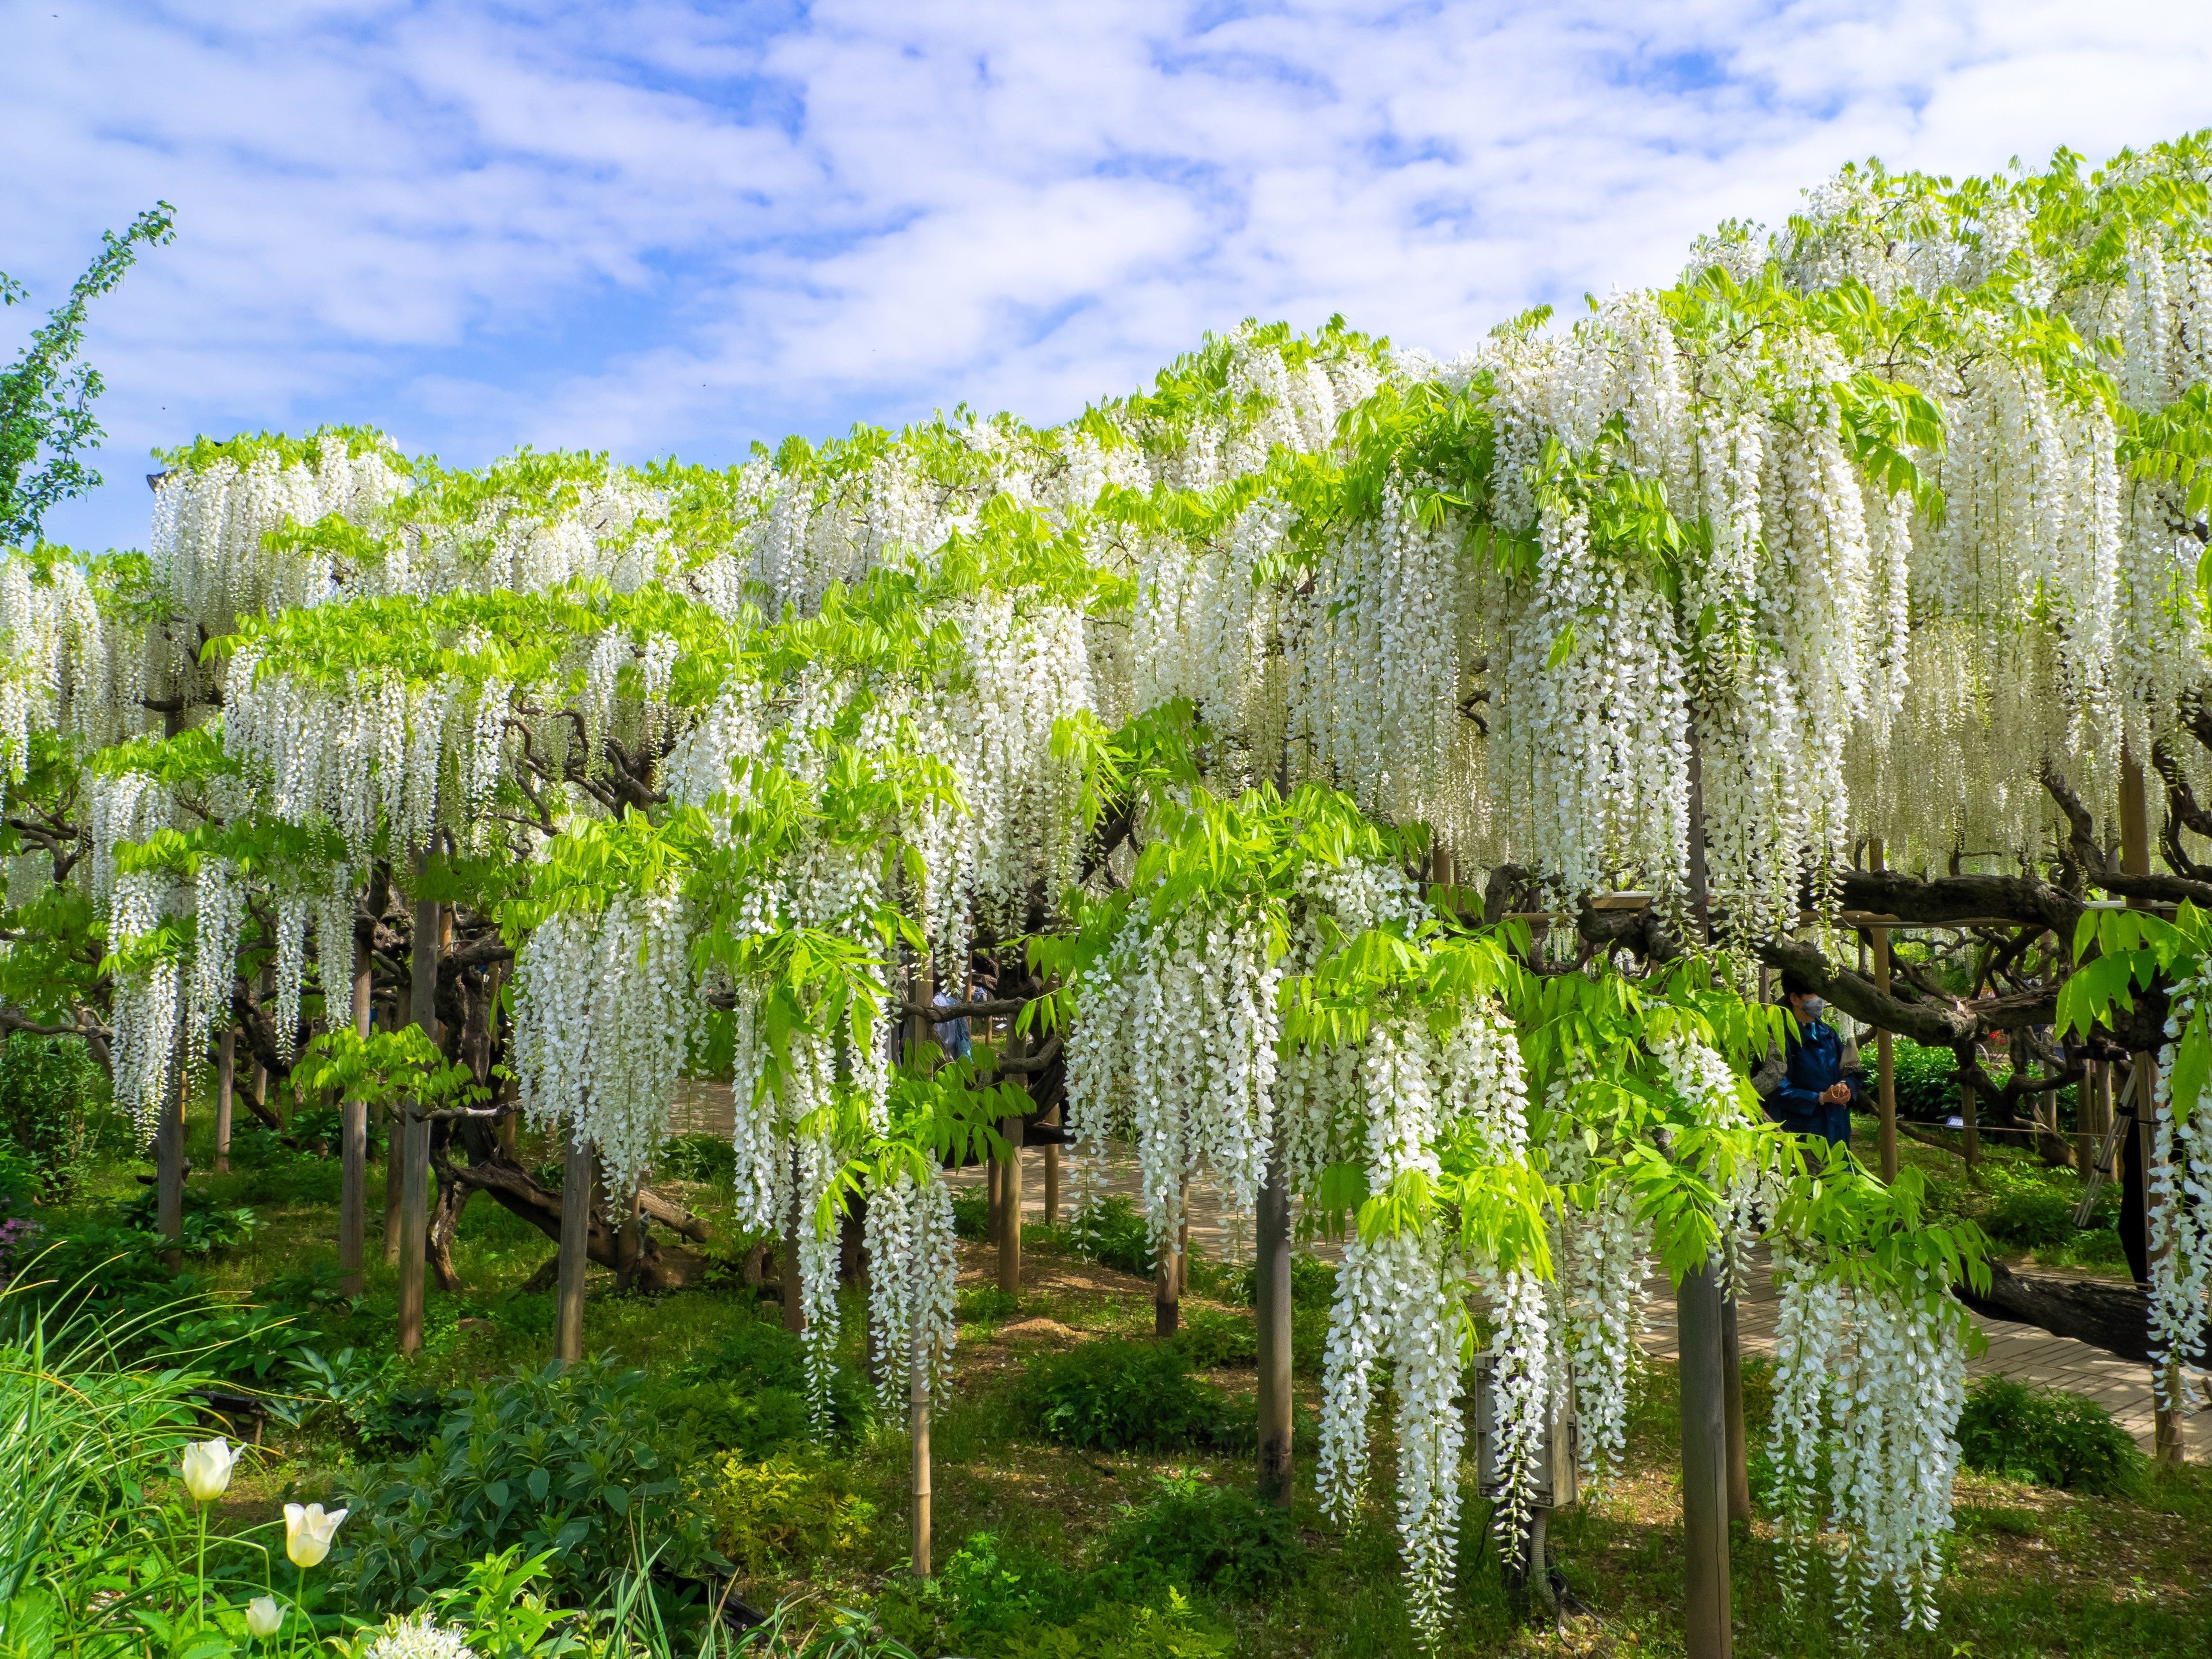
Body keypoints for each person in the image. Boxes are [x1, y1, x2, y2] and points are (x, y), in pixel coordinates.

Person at [1752, 971, 1864, 1146]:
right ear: (1795, 999)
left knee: (1841, 1170)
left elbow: (1850, 1069)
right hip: (1800, 1131)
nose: (1821, 1001)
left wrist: (1845, 1086)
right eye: (1815, 995)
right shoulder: (1777, 1036)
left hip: (1836, 1127)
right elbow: (1774, 1088)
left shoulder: (1827, 1032)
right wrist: (1819, 1097)